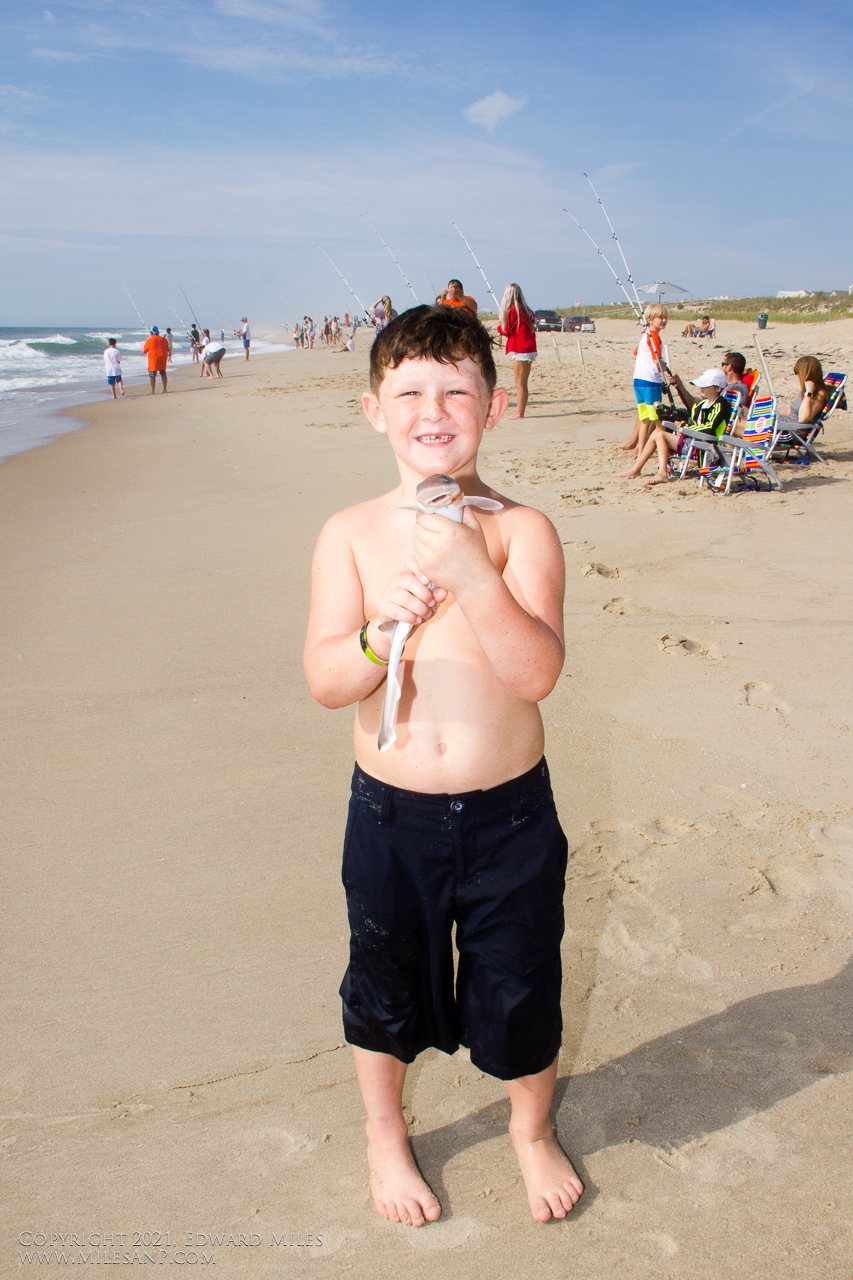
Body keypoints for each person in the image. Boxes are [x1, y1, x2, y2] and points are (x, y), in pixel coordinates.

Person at [304, 304, 583, 1228]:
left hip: (510, 818)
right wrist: (380, 632)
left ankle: (531, 1130)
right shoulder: (349, 532)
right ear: (372, 409)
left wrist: (472, 574)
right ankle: (385, 1134)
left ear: (494, 408)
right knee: (384, 981)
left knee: (521, 981)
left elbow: (534, 674)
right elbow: (326, 682)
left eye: (457, 392)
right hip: (392, 816)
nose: (434, 410)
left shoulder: (520, 531)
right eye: (410, 392)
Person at [614, 367, 736, 484]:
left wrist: (685, 427)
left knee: (660, 435)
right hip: (695, 442)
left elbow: (710, 428)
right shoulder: (702, 404)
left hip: (707, 447)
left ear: (717, 388)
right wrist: (680, 424)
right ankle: (637, 469)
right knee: (657, 433)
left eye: (705, 385)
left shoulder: (720, 406)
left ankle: (660, 473)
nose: (701, 388)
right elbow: (693, 418)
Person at [617, 305, 668, 454]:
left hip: (638, 381)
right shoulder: (654, 336)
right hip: (651, 382)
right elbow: (657, 361)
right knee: (658, 420)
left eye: (665, 317)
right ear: (650, 320)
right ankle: (658, 450)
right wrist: (664, 367)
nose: (664, 320)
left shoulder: (645, 335)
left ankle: (640, 452)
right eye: (660, 318)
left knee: (644, 419)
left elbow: (635, 355)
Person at [497, 283, 537, 420]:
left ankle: (520, 413)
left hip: (522, 349)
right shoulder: (526, 309)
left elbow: (506, 331)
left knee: (520, 383)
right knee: (523, 383)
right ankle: (520, 412)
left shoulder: (513, 310)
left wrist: (499, 326)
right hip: (529, 348)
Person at [776, 356, 828, 427]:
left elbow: (802, 419)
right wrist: (770, 412)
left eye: (798, 372)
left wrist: (809, 393)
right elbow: (789, 411)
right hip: (782, 423)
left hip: (789, 429)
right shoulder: (805, 391)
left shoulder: (819, 395)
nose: (797, 375)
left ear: (805, 374)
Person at [142, 325, 169, 394]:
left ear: (151, 333)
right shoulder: (164, 339)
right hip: (162, 358)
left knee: (152, 375)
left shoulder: (149, 340)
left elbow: (144, 351)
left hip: (153, 359)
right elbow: (167, 349)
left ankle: (153, 391)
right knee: (163, 373)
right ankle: (165, 389)